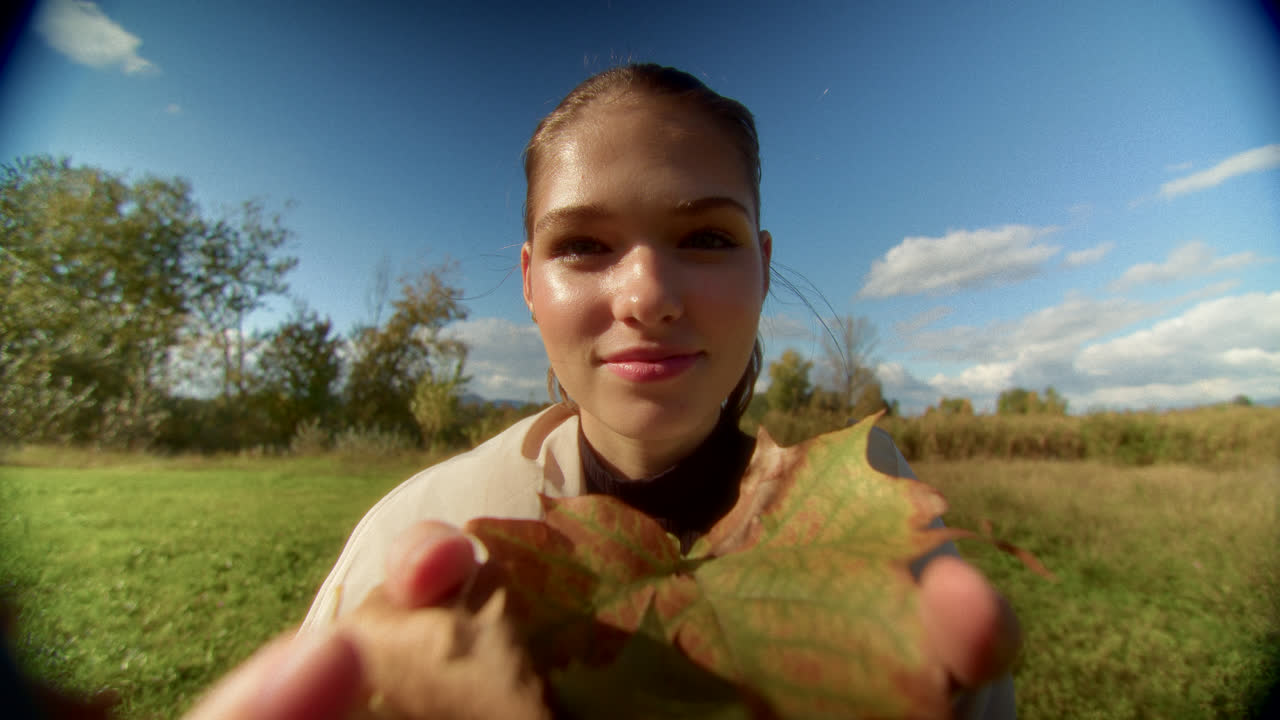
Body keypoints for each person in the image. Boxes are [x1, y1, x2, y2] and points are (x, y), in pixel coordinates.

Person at [187, 63, 1021, 719]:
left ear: (763, 265)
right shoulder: (421, 537)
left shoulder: (878, 509)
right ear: (528, 281)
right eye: (584, 245)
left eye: (704, 236)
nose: (646, 294)